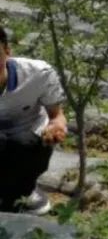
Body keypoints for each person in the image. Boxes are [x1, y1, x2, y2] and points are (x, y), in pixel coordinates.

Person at [0, 27, 67, 214]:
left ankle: (24, 191)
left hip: (26, 138)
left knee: (24, 144)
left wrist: (56, 126)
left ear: (7, 51)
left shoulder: (38, 74)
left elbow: (56, 115)